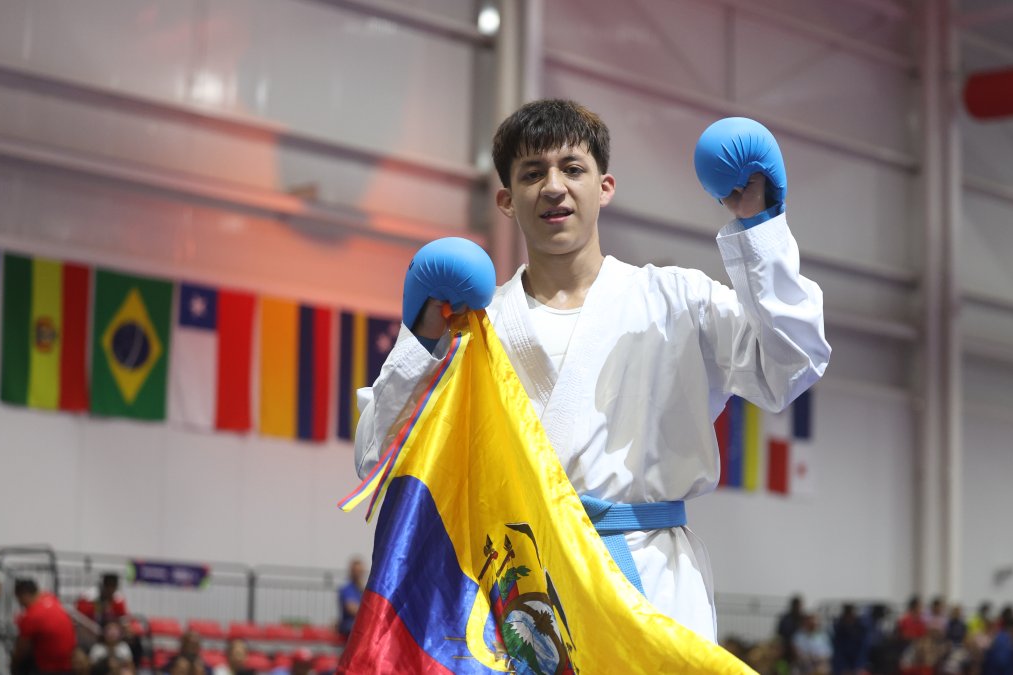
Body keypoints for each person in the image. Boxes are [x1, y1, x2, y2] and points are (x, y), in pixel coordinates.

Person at [353, 100, 829, 642]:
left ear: (604, 186)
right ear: (507, 200)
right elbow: (378, 463)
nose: (553, 186)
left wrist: (760, 224)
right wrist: (418, 341)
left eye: (572, 169)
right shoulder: (473, 330)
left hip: (648, 582)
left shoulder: (676, 300)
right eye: (533, 174)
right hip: (521, 594)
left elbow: (790, 367)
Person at [11, 578, 76, 675]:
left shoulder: (32, 615)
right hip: (69, 665)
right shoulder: (52, 599)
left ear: (24, 595)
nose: (20, 604)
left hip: (49, 668)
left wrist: (13, 664)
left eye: (19, 600)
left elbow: (21, 649)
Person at [336, 558, 364, 640]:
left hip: (360, 625)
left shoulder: (363, 590)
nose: (358, 574)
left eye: (359, 571)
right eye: (355, 571)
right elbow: (351, 609)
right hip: (349, 626)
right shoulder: (346, 589)